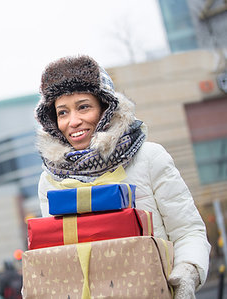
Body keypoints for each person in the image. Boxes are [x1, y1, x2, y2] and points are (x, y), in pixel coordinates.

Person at [34, 55, 211, 299]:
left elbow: (188, 231)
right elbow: (62, 255)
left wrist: (188, 271)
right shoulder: (50, 181)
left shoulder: (149, 158)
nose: (73, 121)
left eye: (84, 106)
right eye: (62, 112)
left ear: (105, 108)